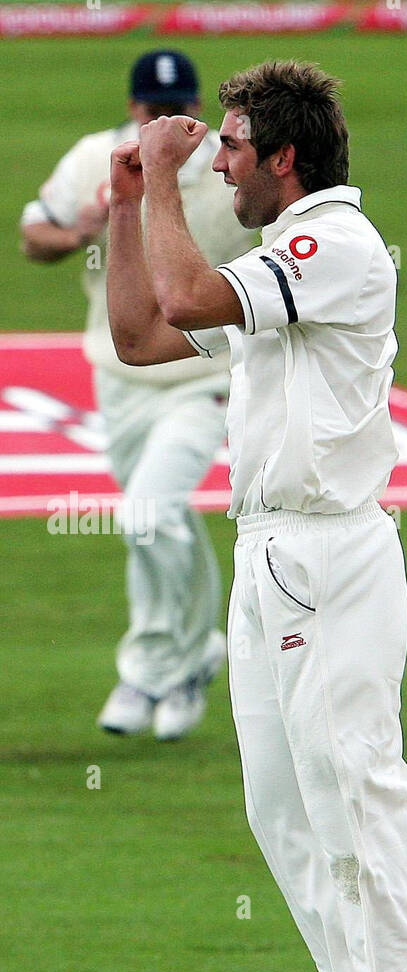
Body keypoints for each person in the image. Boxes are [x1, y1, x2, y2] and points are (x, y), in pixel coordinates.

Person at [104, 60, 407, 972]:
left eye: (234, 148)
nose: (218, 162)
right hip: (266, 554)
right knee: (286, 814)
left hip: (334, 551)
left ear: (288, 158)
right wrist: (126, 202)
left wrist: (162, 180)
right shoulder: (275, 262)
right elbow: (143, 337)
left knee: (360, 797)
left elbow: (191, 297)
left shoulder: (335, 243)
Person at [20, 50, 253, 739]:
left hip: (203, 373)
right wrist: (81, 230)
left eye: (180, 110)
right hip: (120, 376)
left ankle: (151, 667)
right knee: (159, 520)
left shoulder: (228, 166)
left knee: (149, 516)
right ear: (133, 110)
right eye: (154, 111)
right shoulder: (98, 156)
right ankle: (196, 655)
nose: (165, 124)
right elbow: (34, 237)